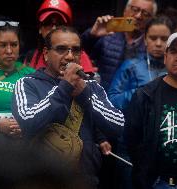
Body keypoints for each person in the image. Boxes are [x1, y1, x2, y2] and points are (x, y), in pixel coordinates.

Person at [12, 26, 125, 188]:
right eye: (61, 49)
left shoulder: (91, 86)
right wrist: (64, 88)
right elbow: (28, 120)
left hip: (83, 181)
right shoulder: (27, 83)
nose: (70, 56)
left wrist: (85, 95)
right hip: (39, 180)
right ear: (46, 53)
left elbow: (118, 125)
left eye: (76, 50)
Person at [124, 31, 177, 189]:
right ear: (165, 57)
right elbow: (131, 140)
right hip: (155, 183)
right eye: (174, 52)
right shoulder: (145, 95)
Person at [82, 0, 157, 91]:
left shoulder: (152, 45)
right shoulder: (107, 35)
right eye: (135, 9)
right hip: (102, 97)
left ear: (152, 19)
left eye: (145, 13)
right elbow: (81, 53)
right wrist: (92, 35)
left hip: (131, 100)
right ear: (125, 11)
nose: (138, 16)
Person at [108, 16, 172, 111]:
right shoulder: (130, 65)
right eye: (153, 38)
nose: (158, 43)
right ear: (145, 40)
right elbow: (112, 100)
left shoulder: (175, 68)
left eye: (164, 39)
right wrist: (140, 93)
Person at [24, 0, 97, 75]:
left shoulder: (79, 55)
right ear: (40, 28)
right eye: (48, 23)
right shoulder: (31, 55)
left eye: (59, 24)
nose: (53, 28)